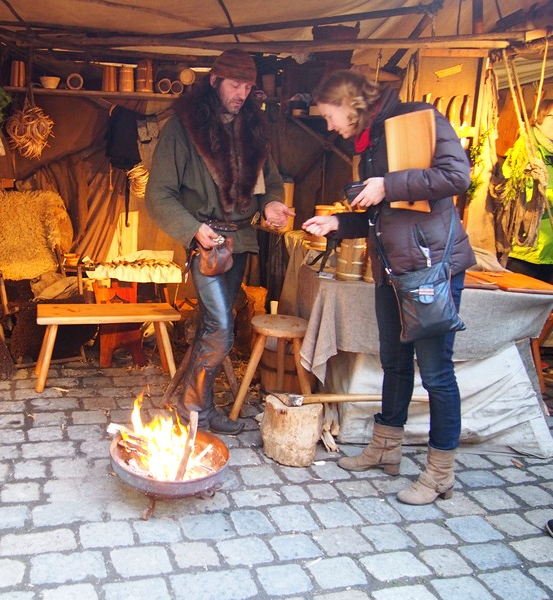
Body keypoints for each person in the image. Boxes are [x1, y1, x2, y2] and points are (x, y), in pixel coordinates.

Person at [302, 70, 475, 504]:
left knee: (436, 373)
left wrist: (387, 183)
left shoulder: (420, 117)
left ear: (350, 103)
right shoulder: (371, 142)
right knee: (394, 363)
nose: (328, 126)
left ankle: (440, 474)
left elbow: (457, 176)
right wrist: (338, 223)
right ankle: (386, 447)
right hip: (392, 270)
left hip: (429, 270)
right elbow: (384, 213)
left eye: (329, 116)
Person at [146, 49, 293, 435]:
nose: (242, 93)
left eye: (247, 86)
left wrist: (274, 203)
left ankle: (195, 409)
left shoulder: (254, 128)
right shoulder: (183, 128)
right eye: (235, 84)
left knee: (214, 324)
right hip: (206, 242)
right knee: (223, 328)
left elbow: (271, 180)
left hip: (242, 240)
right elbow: (158, 194)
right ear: (214, 82)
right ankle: (193, 407)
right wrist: (193, 230)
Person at [502, 99, 553, 283]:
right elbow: (524, 193)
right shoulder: (526, 148)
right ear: (538, 119)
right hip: (528, 250)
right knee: (520, 305)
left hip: (549, 250)